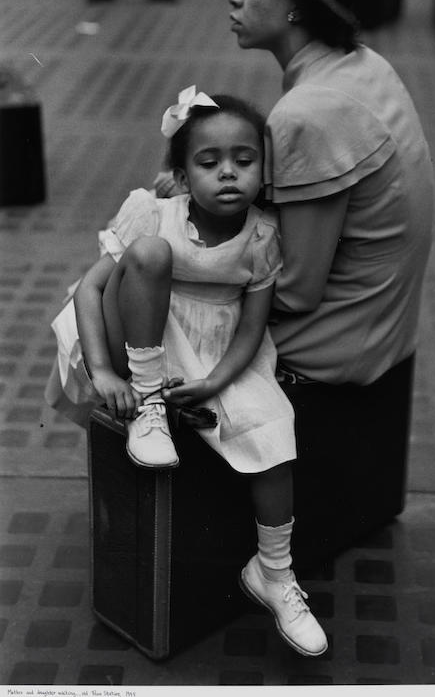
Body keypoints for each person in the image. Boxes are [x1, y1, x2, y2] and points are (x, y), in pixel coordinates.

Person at [45, 90, 328, 658]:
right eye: (208, 162)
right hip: (133, 331)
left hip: (213, 350)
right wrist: (104, 370)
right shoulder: (153, 210)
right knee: (149, 254)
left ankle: (273, 571)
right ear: (180, 172)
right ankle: (147, 406)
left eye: (244, 161)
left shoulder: (263, 235)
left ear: (263, 170)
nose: (228, 173)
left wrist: (218, 381)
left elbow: (251, 329)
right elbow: (94, 288)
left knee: (275, 432)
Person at [220, 0, 433, 492]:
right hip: (384, 323)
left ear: (298, 7)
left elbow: (296, 287)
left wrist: (188, 287)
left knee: (124, 310)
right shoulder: (363, 67)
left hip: (338, 343)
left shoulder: (310, 113)